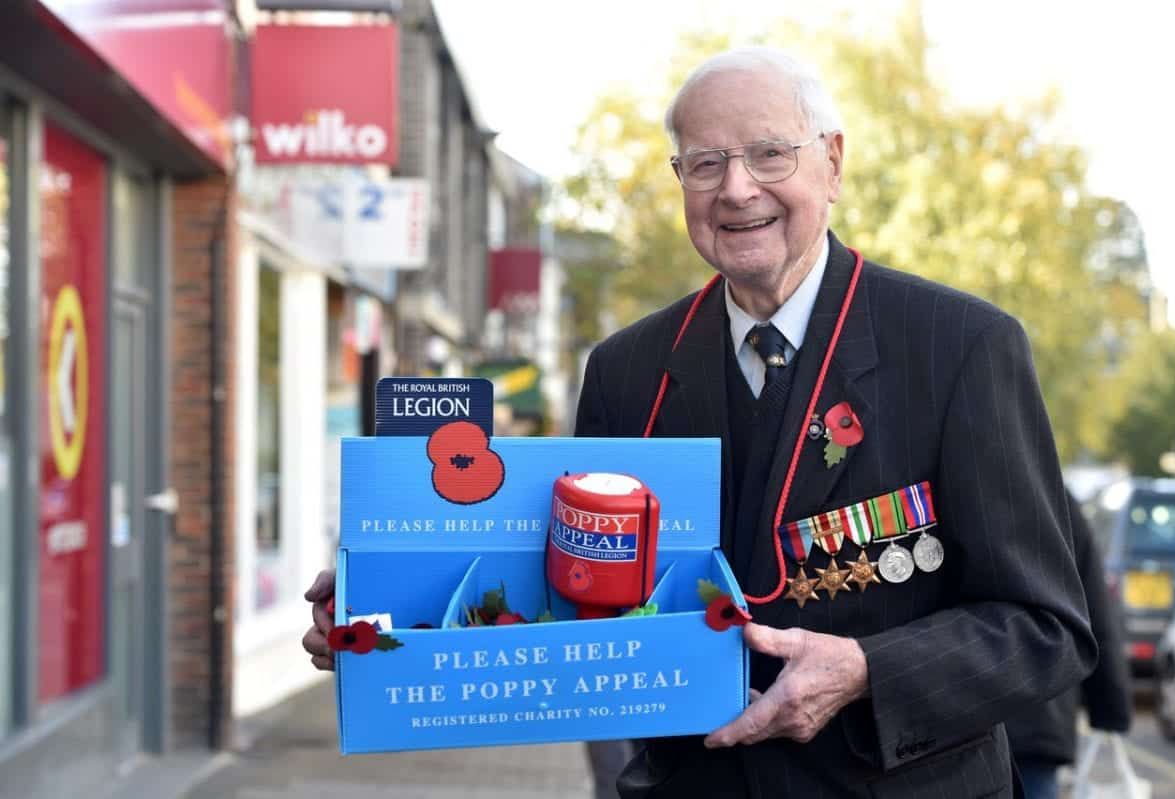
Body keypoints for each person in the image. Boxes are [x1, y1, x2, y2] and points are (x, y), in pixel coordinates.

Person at [305, 47, 1097, 797]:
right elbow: (572, 584)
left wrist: (865, 667)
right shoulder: (626, 369)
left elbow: (1045, 627)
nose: (738, 189)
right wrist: (389, 603)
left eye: (770, 154)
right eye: (705, 163)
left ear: (834, 162)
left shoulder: (961, 346)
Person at [1007, 494, 1133, 798]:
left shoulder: (947, 487)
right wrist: (1110, 709)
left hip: (961, 726)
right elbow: (1095, 615)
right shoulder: (1056, 500)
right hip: (1039, 717)